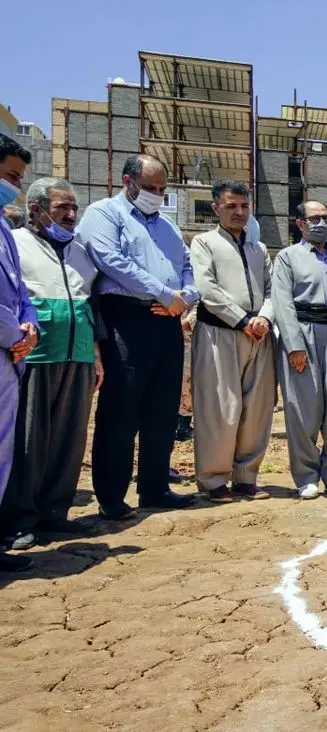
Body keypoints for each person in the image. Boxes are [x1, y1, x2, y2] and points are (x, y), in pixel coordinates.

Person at [78, 153, 197, 519]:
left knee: (162, 408)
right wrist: (165, 294)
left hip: (167, 321)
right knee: (121, 409)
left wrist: (185, 297)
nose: (156, 194)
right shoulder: (103, 214)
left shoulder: (168, 225)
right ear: (126, 181)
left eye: (162, 189)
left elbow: (187, 265)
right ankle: (112, 496)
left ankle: (155, 486)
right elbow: (110, 259)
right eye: (149, 188)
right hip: (125, 318)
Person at [1, 178, 99, 552]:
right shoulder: (17, 243)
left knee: (69, 438)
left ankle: (55, 512)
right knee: (29, 440)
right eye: (62, 208)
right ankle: (19, 520)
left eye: (74, 207)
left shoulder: (79, 249)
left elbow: (89, 299)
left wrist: (98, 353)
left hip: (79, 352)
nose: (71, 215)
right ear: (37, 209)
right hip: (35, 354)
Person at [188, 181, 275, 503]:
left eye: (244, 206)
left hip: (259, 334)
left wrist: (264, 318)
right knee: (220, 408)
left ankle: (246, 478)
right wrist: (241, 319)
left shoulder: (259, 249)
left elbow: (271, 289)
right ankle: (213, 480)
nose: (239, 212)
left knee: (257, 410)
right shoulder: (204, 243)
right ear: (216, 208)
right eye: (231, 206)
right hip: (220, 332)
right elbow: (206, 289)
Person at [273, 200, 327, 500]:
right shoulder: (287, 257)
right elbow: (282, 301)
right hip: (303, 334)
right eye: (314, 218)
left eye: (325, 217)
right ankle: (307, 475)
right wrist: (293, 345)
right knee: (303, 407)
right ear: (300, 223)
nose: (321, 223)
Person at [0, 137, 41, 572]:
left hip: (11, 350)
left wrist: (27, 326)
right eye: (11, 177)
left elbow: (19, 293)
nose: (16, 187)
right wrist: (15, 333)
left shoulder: (3, 231)